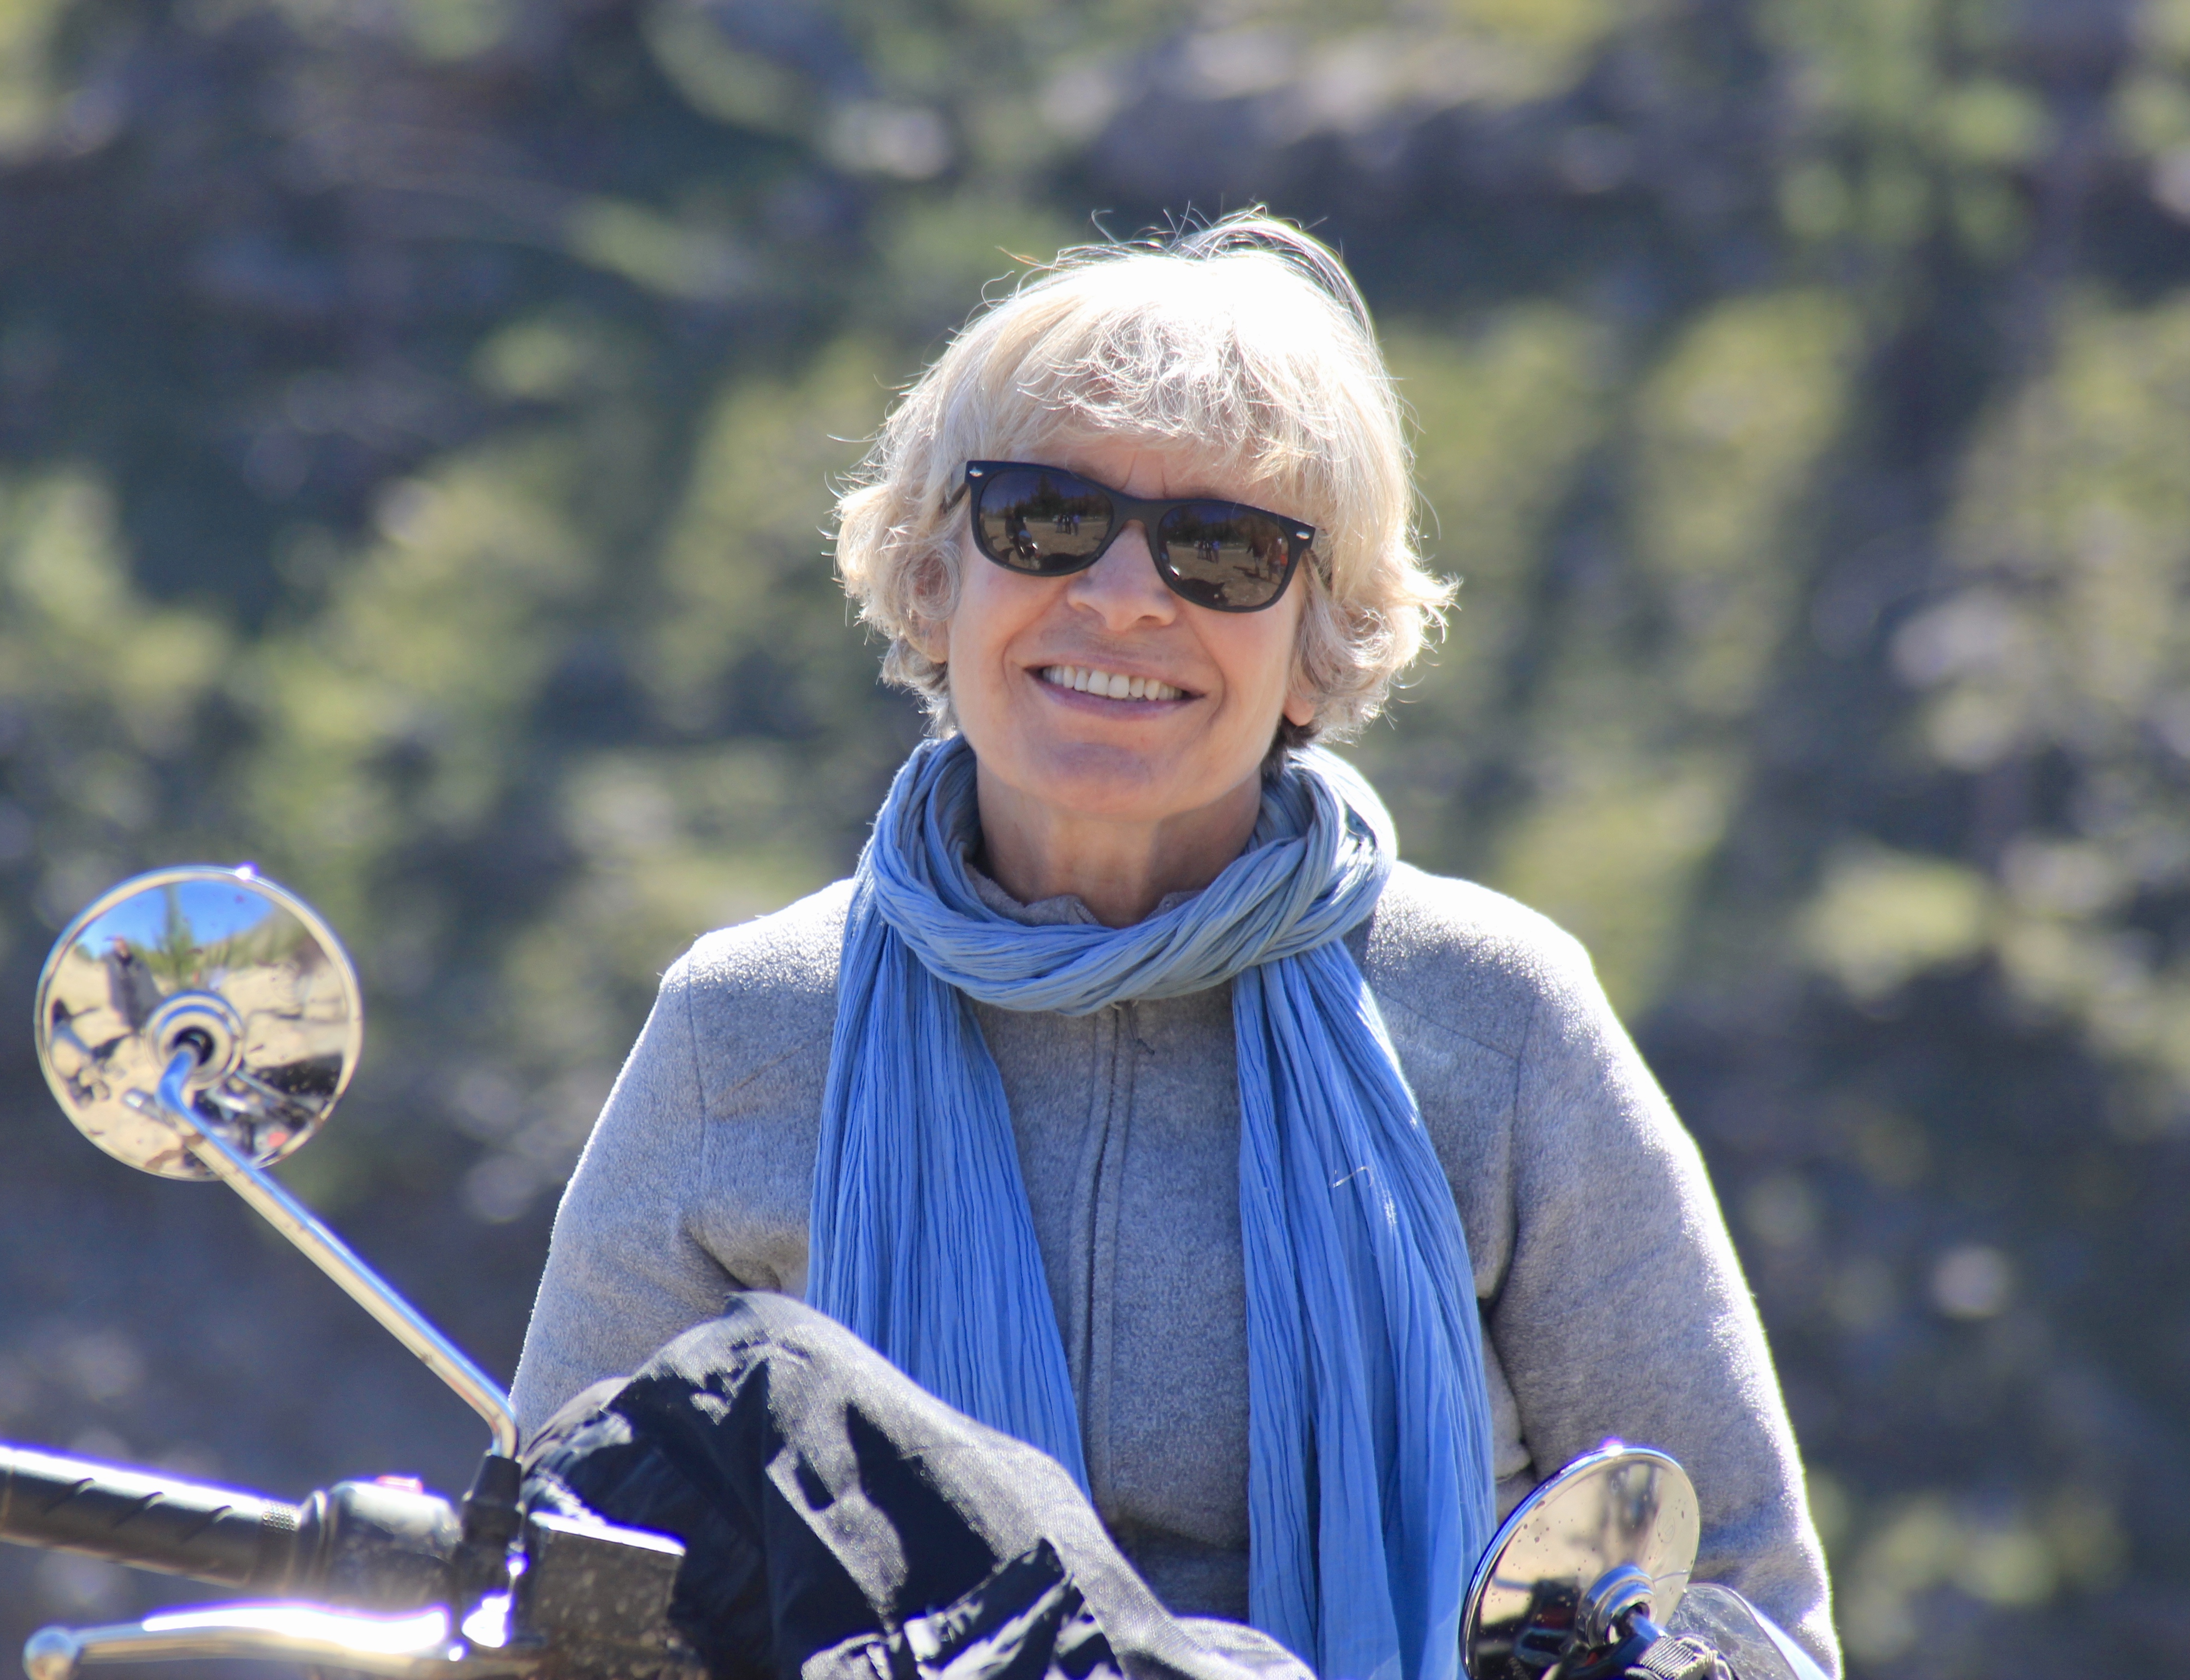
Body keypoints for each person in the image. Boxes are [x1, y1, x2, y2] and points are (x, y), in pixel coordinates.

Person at [507, 214, 1840, 1680]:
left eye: (1224, 549)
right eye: (1045, 520)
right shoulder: (741, 1029)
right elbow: (549, 1592)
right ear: (935, 579)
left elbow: (1742, 1597)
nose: (1126, 597)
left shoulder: (1499, 1021)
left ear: (1323, 640)